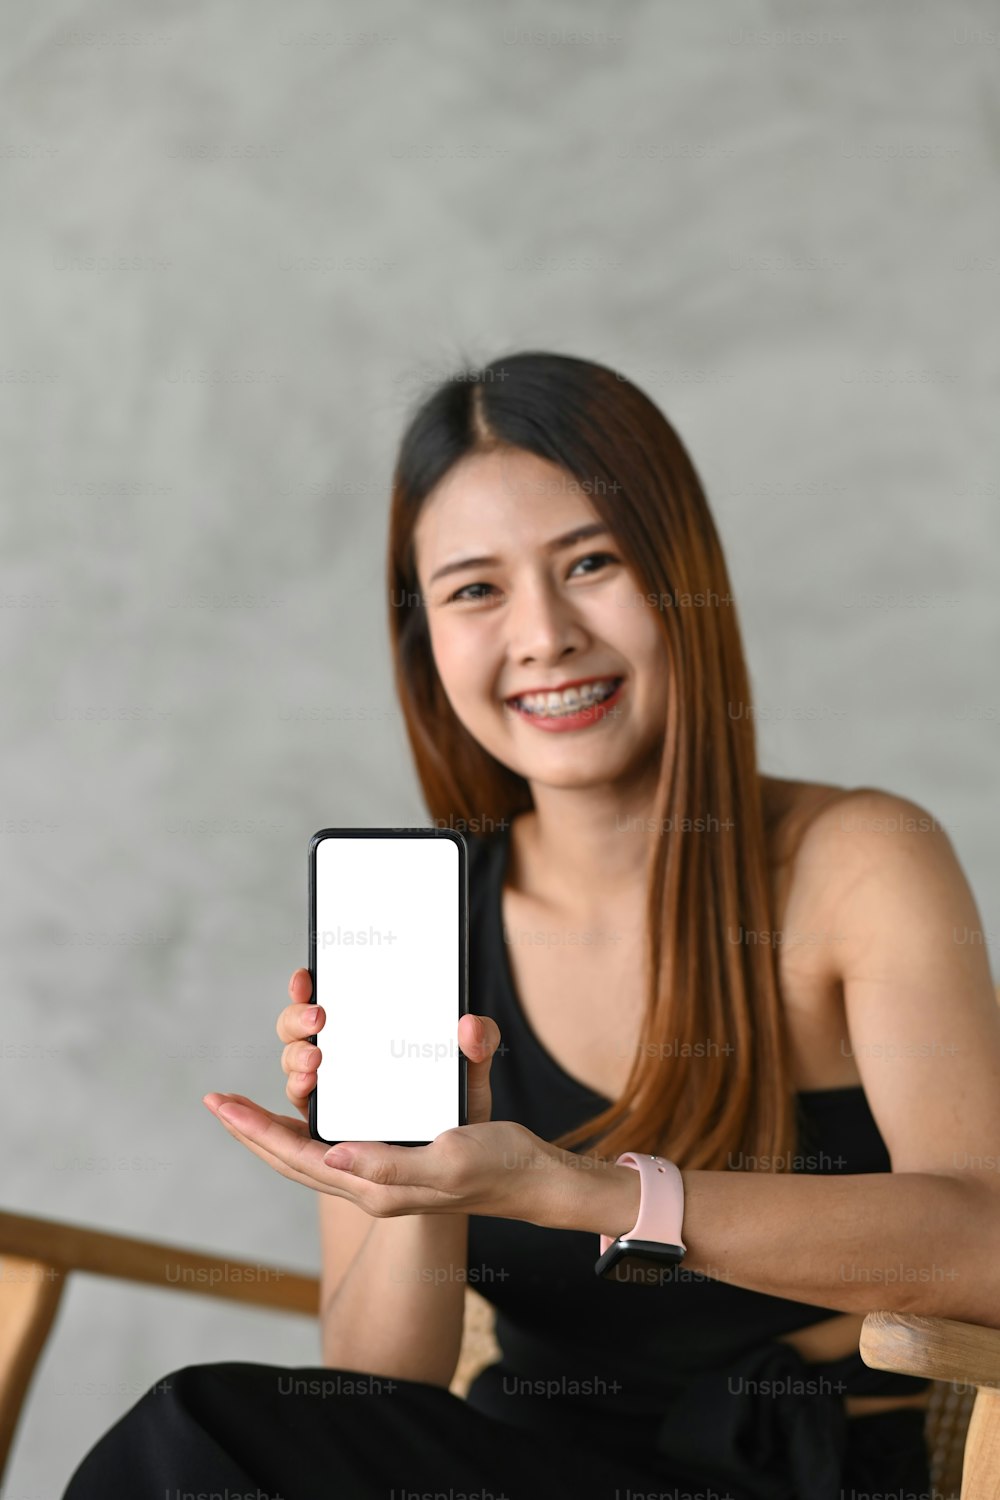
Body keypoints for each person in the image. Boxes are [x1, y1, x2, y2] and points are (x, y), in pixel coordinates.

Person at [62, 351, 1000, 1499]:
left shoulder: (856, 861)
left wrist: (594, 1194)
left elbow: (985, 1241)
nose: (544, 634)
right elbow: (379, 1386)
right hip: (508, 1467)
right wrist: (404, 1182)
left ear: (681, 579)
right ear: (425, 642)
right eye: (474, 589)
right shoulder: (422, 918)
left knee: (196, 1429)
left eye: (591, 563)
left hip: (792, 1474)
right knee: (207, 1434)